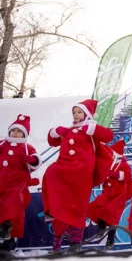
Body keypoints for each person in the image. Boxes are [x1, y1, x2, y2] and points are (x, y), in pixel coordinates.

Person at [42, 99, 114, 253]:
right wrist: (54, 131)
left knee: (77, 209)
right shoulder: (68, 130)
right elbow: (52, 142)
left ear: (87, 114)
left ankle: (75, 245)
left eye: (79, 112)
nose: (75, 115)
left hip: (82, 173)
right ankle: (54, 236)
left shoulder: (90, 129)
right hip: (65, 168)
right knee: (50, 171)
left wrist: (94, 129)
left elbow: (108, 136)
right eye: (74, 112)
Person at [0, 115, 41, 246]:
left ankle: (7, 231)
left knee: (13, 202)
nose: (15, 133)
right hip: (1, 181)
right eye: (13, 130)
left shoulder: (26, 147)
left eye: (19, 131)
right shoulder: (2, 143)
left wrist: (32, 160)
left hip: (17, 184)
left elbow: (36, 161)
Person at [87, 140, 132, 249]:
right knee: (95, 207)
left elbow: (127, 176)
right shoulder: (108, 163)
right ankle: (102, 228)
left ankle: (110, 240)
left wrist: (113, 174)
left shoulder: (124, 165)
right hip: (107, 193)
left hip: (118, 195)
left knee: (112, 217)